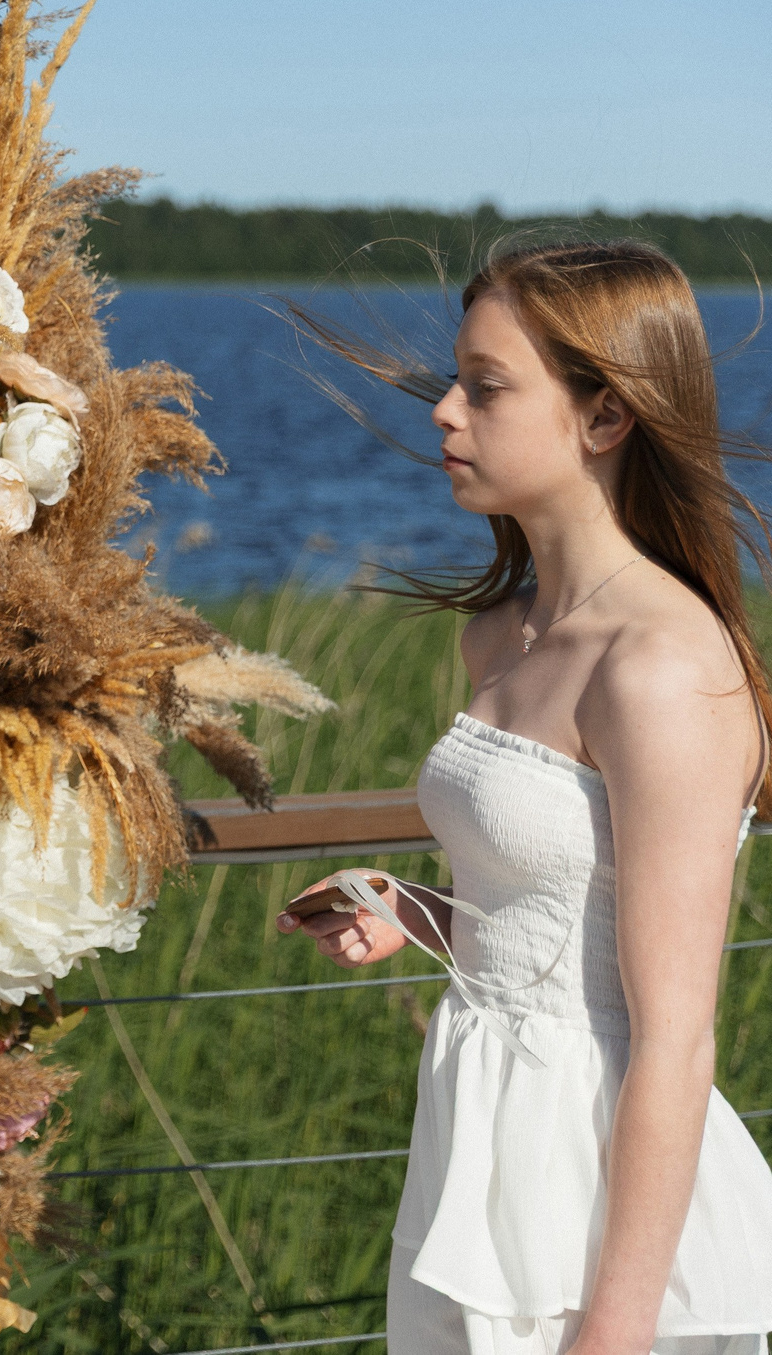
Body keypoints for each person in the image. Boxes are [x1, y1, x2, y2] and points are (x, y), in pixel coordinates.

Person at [278, 241, 772, 1355]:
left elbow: (674, 1037)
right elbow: (556, 939)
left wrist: (617, 1328)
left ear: (604, 420)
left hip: (597, 1194)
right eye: (455, 380)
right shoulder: (499, 638)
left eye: (486, 387)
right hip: (477, 1148)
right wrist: (409, 909)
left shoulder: (658, 668)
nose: (445, 412)